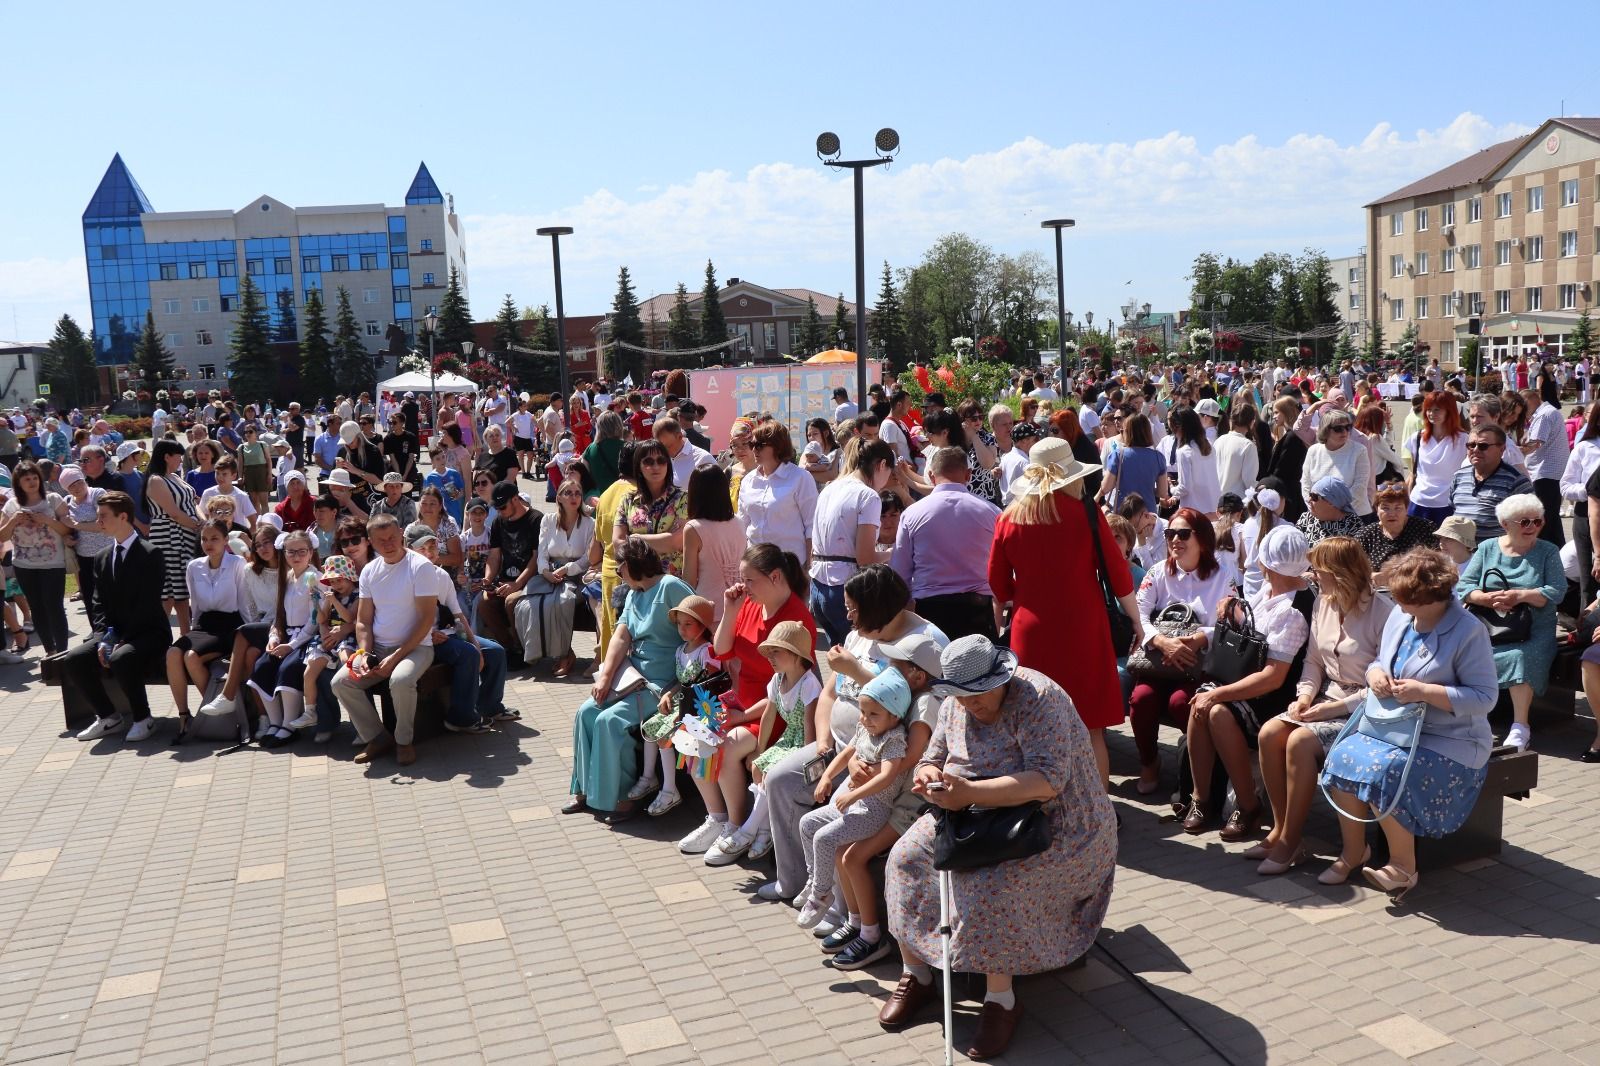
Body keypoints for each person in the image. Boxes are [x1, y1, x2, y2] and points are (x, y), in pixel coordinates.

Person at [881, 635, 1116, 1061]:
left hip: (1058, 824)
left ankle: (1001, 1000)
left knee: (992, 885)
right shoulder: (955, 702)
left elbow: (1047, 782)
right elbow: (933, 755)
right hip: (975, 813)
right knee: (904, 860)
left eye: (978, 696)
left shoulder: (1038, 698)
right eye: (961, 698)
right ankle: (918, 973)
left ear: (1001, 677)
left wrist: (969, 790)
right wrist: (929, 775)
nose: (970, 705)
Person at [1319, 550, 1497, 899]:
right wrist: (1375, 675)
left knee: (1384, 770)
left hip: (1452, 740)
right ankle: (1354, 851)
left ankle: (1403, 868)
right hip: (1395, 729)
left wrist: (1425, 692)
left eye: (1404, 600)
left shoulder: (1468, 632)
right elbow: (1378, 660)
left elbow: (1484, 698)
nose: (1397, 606)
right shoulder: (1402, 619)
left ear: (1429, 598)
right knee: (1341, 756)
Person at [989, 436, 1138, 786]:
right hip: (1083, 629)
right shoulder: (1086, 512)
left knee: (1034, 727)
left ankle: (1045, 811)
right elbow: (1118, 574)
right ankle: (1098, 815)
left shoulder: (1009, 518)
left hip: (1031, 632)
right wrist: (1136, 619)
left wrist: (1022, 594)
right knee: (1091, 729)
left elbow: (996, 585)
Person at [1250, 536, 1392, 875]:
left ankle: (1290, 841)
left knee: (1299, 742)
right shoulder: (1322, 603)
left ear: (1341, 573)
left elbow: (1384, 684)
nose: (1313, 576)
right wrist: (1303, 697)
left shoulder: (1383, 612)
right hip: (1326, 697)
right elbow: (1313, 661)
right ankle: (1281, 830)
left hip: (1365, 709)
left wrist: (1329, 710)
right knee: (1270, 732)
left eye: (1320, 570)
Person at [1180, 524, 1314, 839]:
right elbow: (1250, 631)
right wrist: (1217, 624)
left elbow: (1274, 676)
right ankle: (1201, 798)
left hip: (1277, 697)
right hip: (1252, 683)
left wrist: (1220, 694)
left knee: (1214, 708)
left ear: (1267, 563)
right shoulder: (1272, 590)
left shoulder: (1294, 610)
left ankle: (1248, 805)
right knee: (1202, 702)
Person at [689, 544, 820, 864]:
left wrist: (740, 717)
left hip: (774, 712)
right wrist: (730, 608)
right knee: (693, 739)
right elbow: (720, 651)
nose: (742, 586)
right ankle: (717, 819)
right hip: (742, 706)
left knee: (725, 748)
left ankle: (737, 825)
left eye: (749, 580)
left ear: (775, 577)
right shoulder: (749, 604)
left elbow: (788, 690)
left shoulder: (796, 621)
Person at [564, 539, 692, 821]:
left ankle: (621, 797)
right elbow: (621, 636)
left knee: (609, 722)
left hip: (663, 685)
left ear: (631, 565)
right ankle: (585, 788)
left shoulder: (670, 586)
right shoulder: (634, 593)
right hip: (632, 677)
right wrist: (605, 678)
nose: (618, 573)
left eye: (619, 567)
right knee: (585, 713)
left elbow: (698, 623)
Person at [1129, 508, 1236, 795]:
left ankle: (1194, 769)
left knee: (1181, 704)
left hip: (1197, 664)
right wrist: (1162, 642)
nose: (1175, 539)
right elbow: (1138, 615)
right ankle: (1149, 762)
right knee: (1141, 699)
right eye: (1170, 533)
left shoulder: (1222, 577)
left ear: (1201, 538)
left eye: (1183, 533)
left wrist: (1201, 638)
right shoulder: (1157, 572)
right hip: (1158, 660)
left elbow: (1231, 626)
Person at [795, 668, 911, 928]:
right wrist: (826, 776)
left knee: (824, 838)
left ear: (894, 716)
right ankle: (816, 882)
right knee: (807, 824)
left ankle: (821, 894)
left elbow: (887, 777)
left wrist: (854, 794)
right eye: (863, 712)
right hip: (852, 802)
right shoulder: (865, 729)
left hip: (873, 810)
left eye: (873, 714)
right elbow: (847, 753)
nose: (866, 719)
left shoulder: (894, 739)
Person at [1456, 493, 1564, 752]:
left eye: (1537, 521)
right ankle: (1471, 718)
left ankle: (1520, 726)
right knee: (1464, 653)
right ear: (1506, 524)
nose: (1532, 527)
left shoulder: (1548, 551)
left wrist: (1521, 596)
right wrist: (1484, 598)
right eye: (1524, 521)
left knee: (1520, 656)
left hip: (1534, 628)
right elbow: (1464, 586)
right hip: (1489, 625)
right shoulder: (1488, 548)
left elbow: (1557, 590)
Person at [330, 514, 439, 767]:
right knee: (341, 682)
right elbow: (363, 621)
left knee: (400, 680)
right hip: (378, 647)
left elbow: (426, 620)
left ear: (401, 533)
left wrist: (396, 656)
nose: (388, 543)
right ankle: (378, 738)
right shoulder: (369, 571)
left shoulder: (420, 566)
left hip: (416, 647)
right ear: (371, 542)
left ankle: (403, 741)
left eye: (392, 537)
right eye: (381, 540)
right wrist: (364, 653)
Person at [68, 492, 174, 743]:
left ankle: (143, 719)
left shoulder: (150, 553)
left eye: (103, 516)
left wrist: (120, 638)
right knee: (75, 659)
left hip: (148, 632)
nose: (99, 522)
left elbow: (147, 604)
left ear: (123, 516)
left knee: (122, 658)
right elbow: (97, 601)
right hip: (113, 633)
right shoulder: (102, 556)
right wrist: (103, 635)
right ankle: (108, 717)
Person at [890, 447, 999, 641]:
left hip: (930, 611)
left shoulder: (913, 514)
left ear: (931, 475)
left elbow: (900, 572)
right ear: (968, 475)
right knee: (980, 669)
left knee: (933, 670)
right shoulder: (991, 512)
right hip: (978, 609)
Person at [635, 595, 721, 818]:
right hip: (680, 703)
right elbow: (679, 682)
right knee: (650, 727)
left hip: (698, 708)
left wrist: (684, 713)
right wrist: (667, 695)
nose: (682, 629)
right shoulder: (680, 650)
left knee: (664, 736)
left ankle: (670, 789)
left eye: (688, 624)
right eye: (679, 624)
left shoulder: (707, 652)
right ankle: (648, 777)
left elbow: (710, 686)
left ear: (703, 626)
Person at [164, 519, 247, 743]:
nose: (208, 543)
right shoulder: (194, 566)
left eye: (214, 538)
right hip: (204, 625)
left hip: (230, 624)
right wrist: (191, 632)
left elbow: (243, 600)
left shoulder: (237, 563)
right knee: (173, 653)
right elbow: (196, 605)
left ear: (225, 540)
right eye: (204, 539)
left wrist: (247, 635)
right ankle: (184, 716)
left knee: (191, 657)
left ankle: (219, 714)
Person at [809, 438, 893, 647]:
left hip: (818, 587)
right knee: (856, 660)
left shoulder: (830, 488)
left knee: (838, 660)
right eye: (889, 473)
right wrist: (893, 552)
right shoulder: (869, 496)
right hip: (845, 589)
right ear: (881, 465)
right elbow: (866, 558)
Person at [245, 529, 320, 747]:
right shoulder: (286, 577)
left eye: (301, 551)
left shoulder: (315, 578)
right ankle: (275, 723)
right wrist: (274, 636)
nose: (296, 556)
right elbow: (280, 615)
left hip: (307, 639)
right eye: (290, 552)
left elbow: (315, 620)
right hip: (287, 636)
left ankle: (289, 725)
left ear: (310, 551)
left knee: (289, 667)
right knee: (262, 666)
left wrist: (292, 645)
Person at [517, 476, 594, 675]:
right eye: (568, 493)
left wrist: (568, 569)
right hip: (549, 575)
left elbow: (587, 558)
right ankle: (537, 651)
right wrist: (546, 572)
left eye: (577, 493)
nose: (573, 497)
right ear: (559, 497)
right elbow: (541, 553)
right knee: (525, 604)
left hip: (577, 576)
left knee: (562, 602)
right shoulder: (549, 520)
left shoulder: (588, 523)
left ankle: (564, 655)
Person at [0, 460, 74, 656]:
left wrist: (47, 520)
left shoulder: (53, 499)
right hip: (24, 564)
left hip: (53, 562)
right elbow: (2, 536)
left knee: (55, 606)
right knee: (37, 607)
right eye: (27, 479)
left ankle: (63, 652)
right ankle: (50, 651)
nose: (32, 482)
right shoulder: (11, 504)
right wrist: (14, 521)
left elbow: (68, 528)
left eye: (35, 478)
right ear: (18, 483)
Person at [475, 481, 543, 658]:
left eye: (503, 507)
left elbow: (537, 559)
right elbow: (494, 556)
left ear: (515, 499)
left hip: (531, 580)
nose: (499, 511)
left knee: (512, 601)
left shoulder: (536, 519)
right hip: (506, 580)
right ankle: (509, 648)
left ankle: (524, 650)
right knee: (484, 603)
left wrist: (517, 584)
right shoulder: (499, 522)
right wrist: (488, 579)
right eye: (497, 508)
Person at [142, 440, 203, 633]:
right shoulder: (156, 480)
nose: (180, 460)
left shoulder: (176, 477)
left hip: (186, 535)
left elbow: (194, 504)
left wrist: (203, 523)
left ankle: (185, 634)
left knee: (181, 591)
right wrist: (197, 527)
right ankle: (157, 637)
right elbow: (173, 512)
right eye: (178, 456)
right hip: (169, 537)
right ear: (167, 456)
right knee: (169, 592)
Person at [737, 421, 817, 564]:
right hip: (755, 565)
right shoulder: (748, 481)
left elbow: (812, 526)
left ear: (778, 446)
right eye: (752, 445)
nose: (754, 450)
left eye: (759, 445)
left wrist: (809, 569)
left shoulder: (800, 478)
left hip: (789, 566)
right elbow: (742, 525)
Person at [680, 464, 744, 624]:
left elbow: (689, 580)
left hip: (707, 608)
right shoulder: (739, 522)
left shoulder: (693, 528)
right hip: (740, 604)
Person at [1451, 425, 1536, 545]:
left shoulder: (1517, 482)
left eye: (1483, 446)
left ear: (1502, 449)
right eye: (1471, 445)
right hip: (1461, 558)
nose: (1475, 450)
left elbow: (1531, 525)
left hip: (1497, 559)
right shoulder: (1459, 477)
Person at [1406, 391, 1469, 522]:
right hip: (1419, 502)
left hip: (1449, 504)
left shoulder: (1464, 440)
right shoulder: (1416, 438)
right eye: (1428, 409)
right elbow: (1413, 472)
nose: (1432, 414)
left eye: (1437, 409)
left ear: (1449, 411)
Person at [1300, 410, 1371, 520]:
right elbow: (1305, 483)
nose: (1345, 432)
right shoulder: (1313, 451)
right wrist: (1315, 507)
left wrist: (1335, 511)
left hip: (1354, 516)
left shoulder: (1359, 450)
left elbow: (1360, 487)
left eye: (1348, 427)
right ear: (1326, 430)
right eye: (1338, 429)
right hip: (1319, 516)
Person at [1357, 482, 1438, 570]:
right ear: (1377, 509)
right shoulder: (1366, 535)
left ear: (1407, 509)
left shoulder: (1426, 529)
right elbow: (1356, 570)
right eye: (1385, 508)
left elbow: (1438, 564)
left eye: (1398, 508)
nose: (1392, 514)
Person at [1168, 407, 1221, 518]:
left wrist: (1172, 488)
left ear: (1177, 427)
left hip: (1194, 511)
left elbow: (1185, 487)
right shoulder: (1209, 446)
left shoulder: (1184, 451)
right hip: (1213, 506)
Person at [1266, 396, 1310, 519]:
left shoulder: (1292, 437)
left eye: (1276, 412)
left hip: (1288, 494)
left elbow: (1282, 469)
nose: (1273, 416)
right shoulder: (1289, 435)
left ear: (1286, 412)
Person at [1296, 474, 1364, 544]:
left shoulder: (1353, 525)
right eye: (1310, 495)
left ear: (1331, 502)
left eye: (1314, 497)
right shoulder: (1306, 518)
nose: (1308, 500)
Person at [1215, 404, 1260, 498]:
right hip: (1237, 503)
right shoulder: (1248, 446)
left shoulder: (1219, 441)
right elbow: (1249, 481)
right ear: (1252, 422)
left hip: (1217, 500)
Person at [581, 410, 627, 502]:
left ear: (599, 427)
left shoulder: (591, 449)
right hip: (623, 499)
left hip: (599, 500)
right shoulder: (627, 447)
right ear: (619, 426)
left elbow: (584, 476)